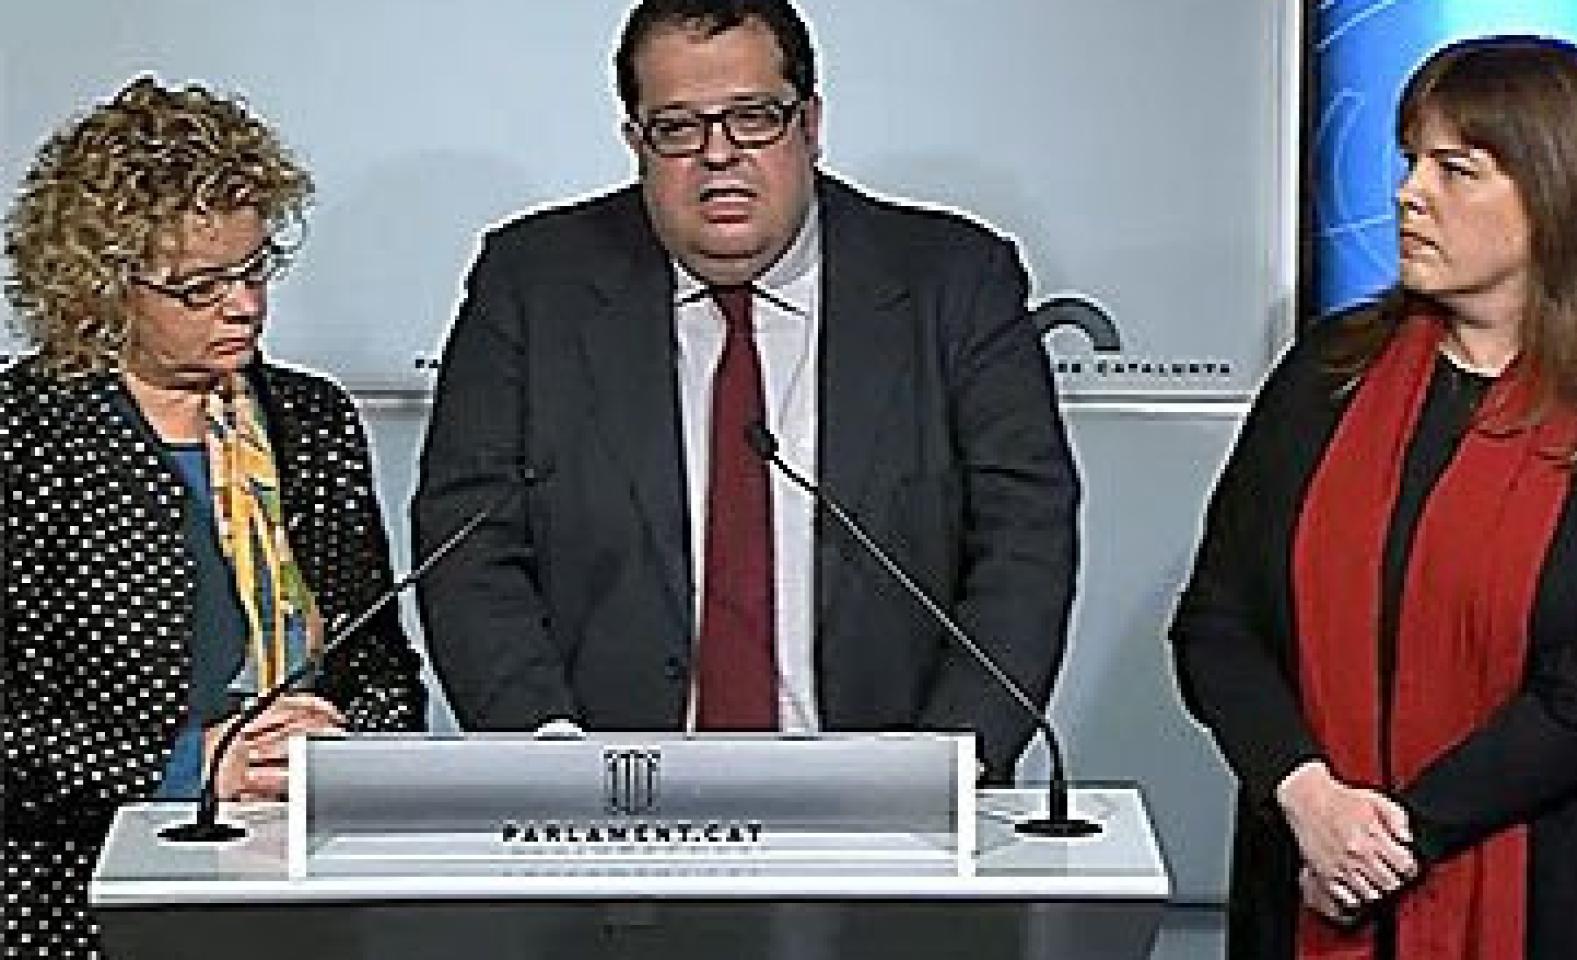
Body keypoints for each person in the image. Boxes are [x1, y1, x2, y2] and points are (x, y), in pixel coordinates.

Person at [412, 0, 1079, 780]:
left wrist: (942, 772)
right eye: (678, 128)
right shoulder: (533, 283)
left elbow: (1023, 542)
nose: (719, 155)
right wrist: (553, 765)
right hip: (603, 814)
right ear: (636, 143)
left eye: (754, 118)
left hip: (889, 814)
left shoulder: (951, 281)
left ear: (811, 122)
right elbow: (469, 541)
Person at [1170, 36, 1577, 960]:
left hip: (1561, 902)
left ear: (1559, 193)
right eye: (1411, 160)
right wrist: (1308, 796)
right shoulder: (1327, 375)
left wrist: (1391, 839)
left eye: (1457, 170)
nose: (1411, 193)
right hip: (1307, 877)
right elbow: (1216, 625)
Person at [1, 78, 426, 958]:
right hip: (73, 900)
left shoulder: (313, 420)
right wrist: (197, 768)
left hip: (304, 884)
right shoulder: (23, 433)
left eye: (254, 267)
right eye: (200, 286)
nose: (246, 305)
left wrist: (341, 748)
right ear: (101, 285)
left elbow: (383, 664)